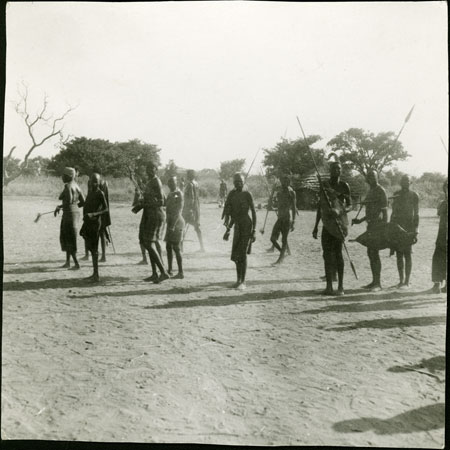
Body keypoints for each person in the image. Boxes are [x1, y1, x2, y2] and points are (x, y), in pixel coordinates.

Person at [312, 162, 351, 295]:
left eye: (339, 169)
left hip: (339, 224)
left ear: (341, 171)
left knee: (338, 254)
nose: (337, 171)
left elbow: (350, 205)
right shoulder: (324, 186)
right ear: (330, 170)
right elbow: (320, 206)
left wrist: (339, 211)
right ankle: (329, 286)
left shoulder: (344, 186)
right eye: (334, 168)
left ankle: (340, 287)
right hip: (327, 224)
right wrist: (316, 226)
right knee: (327, 255)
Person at [352, 169, 388, 291]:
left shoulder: (380, 190)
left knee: (374, 253)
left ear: (378, 177)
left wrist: (384, 227)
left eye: (373, 176)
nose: (371, 178)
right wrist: (360, 220)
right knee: (371, 253)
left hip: (378, 226)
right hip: (370, 225)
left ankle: (378, 284)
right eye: (369, 176)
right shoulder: (371, 191)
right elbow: (371, 212)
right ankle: (374, 281)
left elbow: (384, 211)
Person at [134, 162, 169, 283]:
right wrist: (140, 206)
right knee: (146, 241)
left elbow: (161, 201)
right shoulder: (149, 182)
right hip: (148, 214)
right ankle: (155, 273)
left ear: (156, 170)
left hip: (155, 214)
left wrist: (145, 204)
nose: (148, 170)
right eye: (147, 168)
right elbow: (149, 199)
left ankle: (163, 272)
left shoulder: (156, 181)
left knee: (149, 243)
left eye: (151, 169)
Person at [222, 173, 257, 290]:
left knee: (242, 254)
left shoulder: (247, 194)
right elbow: (234, 216)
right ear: (233, 183)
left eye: (240, 181)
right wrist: (228, 230)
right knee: (236, 256)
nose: (238, 184)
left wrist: (254, 230)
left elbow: (253, 212)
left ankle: (243, 281)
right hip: (237, 226)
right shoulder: (232, 195)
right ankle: (238, 280)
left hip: (247, 225)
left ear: (244, 182)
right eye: (236, 182)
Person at [389, 175, 419, 288]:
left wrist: (416, 230)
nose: (405, 182)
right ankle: (401, 280)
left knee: (407, 254)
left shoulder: (414, 195)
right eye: (403, 181)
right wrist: (391, 227)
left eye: (407, 181)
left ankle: (407, 281)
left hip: (409, 228)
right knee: (398, 254)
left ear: (410, 182)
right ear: (400, 182)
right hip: (397, 227)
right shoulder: (396, 194)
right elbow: (393, 212)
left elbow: (416, 214)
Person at [80, 173, 109, 282]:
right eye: (92, 181)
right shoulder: (91, 192)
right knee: (91, 248)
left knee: (95, 249)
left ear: (99, 182)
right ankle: (94, 273)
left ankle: (96, 275)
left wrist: (93, 214)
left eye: (96, 181)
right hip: (88, 222)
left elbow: (106, 209)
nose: (94, 183)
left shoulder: (100, 193)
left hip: (95, 223)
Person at [54, 167, 85, 269]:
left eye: (64, 175)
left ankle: (76, 264)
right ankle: (68, 262)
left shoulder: (68, 186)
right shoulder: (77, 186)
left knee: (69, 238)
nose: (62, 177)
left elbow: (69, 200)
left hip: (69, 215)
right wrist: (74, 207)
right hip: (74, 214)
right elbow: (83, 202)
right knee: (69, 236)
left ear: (69, 176)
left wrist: (61, 207)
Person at [81, 167, 111, 262]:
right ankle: (101, 256)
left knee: (99, 233)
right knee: (97, 233)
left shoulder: (97, 183)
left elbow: (103, 198)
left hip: (98, 211)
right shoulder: (101, 182)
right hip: (97, 211)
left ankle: (91, 255)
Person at [269, 174, 296, 265]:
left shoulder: (291, 193)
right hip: (280, 218)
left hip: (287, 219)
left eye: (285, 182)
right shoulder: (279, 192)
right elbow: (276, 205)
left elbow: (294, 208)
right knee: (272, 239)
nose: (283, 183)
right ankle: (282, 252)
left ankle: (280, 259)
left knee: (284, 240)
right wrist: (271, 204)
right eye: (282, 181)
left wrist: (294, 222)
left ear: (288, 182)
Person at [165, 176, 185, 279]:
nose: (170, 184)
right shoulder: (171, 194)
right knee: (168, 247)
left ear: (176, 183)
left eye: (172, 182)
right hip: (170, 223)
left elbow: (178, 210)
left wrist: (172, 225)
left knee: (176, 248)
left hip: (177, 223)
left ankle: (181, 272)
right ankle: (170, 270)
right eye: (169, 182)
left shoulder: (178, 194)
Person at [430, 179, 447, 293]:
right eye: (446, 188)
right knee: (437, 258)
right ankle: (437, 284)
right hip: (441, 235)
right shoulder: (442, 203)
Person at [183, 169, 205, 252]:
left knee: (182, 226)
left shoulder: (190, 184)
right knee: (197, 228)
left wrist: (189, 210)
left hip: (189, 209)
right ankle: (202, 247)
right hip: (196, 208)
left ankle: (180, 247)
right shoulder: (196, 183)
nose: (187, 176)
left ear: (190, 175)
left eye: (188, 174)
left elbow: (191, 198)